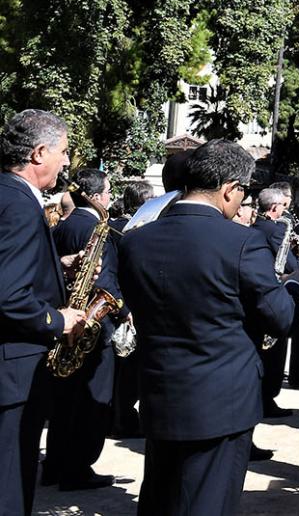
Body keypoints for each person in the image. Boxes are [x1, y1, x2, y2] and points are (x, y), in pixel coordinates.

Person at [119, 139, 299, 516]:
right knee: (208, 503)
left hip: (160, 390)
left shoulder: (136, 240)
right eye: (243, 193)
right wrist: (293, 286)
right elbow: (282, 317)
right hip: (221, 402)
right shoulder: (242, 242)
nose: (242, 203)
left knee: (161, 497)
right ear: (229, 189)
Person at [0, 109, 84, 516]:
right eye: (63, 151)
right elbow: (9, 297)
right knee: (11, 482)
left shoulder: (6, 193)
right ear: (38, 153)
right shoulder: (19, 205)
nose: (67, 161)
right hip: (13, 372)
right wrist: (58, 319)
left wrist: (58, 265)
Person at [44, 167, 120, 492]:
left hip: (65, 323)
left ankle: (55, 465)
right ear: (99, 196)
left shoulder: (64, 225)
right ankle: (77, 468)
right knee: (91, 403)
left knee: (63, 402)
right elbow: (104, 282)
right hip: (90, 328)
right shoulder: (94, 227)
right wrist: (116, 306)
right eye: (108, 191)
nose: (111, 197)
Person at [110, 180, 153, 440]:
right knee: (128, 371)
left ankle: (119, 416)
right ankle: (123, 419)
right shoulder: (129, 231)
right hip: (128, 306)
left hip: (122, 304)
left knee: (121, 370)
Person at [253, 185, 299, 419]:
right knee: (275, 353)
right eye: (282, 205)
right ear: (274, 207)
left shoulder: (255, 226)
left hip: (257, 293)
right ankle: (267, 399)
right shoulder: (275, 230)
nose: (285, 209)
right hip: (275, 290)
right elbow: (291, 265)